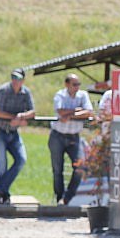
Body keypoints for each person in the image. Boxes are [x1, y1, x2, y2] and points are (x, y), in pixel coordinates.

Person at [0, 69, 37, 204]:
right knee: (1, 163)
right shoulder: (3, 90)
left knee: (21, 159)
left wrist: (21, 117)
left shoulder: (26, 93)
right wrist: (14, 118)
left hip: (13, 132)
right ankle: (3, 196)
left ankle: (0, 189)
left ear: (23, 80)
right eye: (13, 78)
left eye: (18, 78)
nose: (15, 81)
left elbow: (32, 112)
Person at [48, 73, 93, 205]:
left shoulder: (83, 95)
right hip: (58, 136)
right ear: (67, 84)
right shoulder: (60, 95)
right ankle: (59, 198)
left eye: (78, 84)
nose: (77, 87)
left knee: (80, 167)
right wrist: (77, 111)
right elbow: (60, 112)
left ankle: (67, 197)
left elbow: (89, 112)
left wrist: (70, 114)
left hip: (74, 136)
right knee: (57, 169)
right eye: (74, 84)